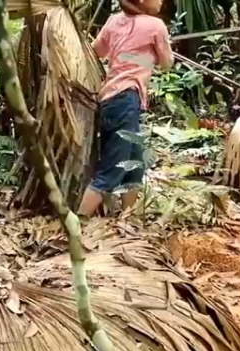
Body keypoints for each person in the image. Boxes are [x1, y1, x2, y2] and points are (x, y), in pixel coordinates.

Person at [77, 0, 174, 217]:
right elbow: (167, 62)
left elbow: (97, 52)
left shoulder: (113, 21)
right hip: (126, 100)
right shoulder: (156, 26)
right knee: (112, 172)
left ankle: (128, 220)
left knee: (134, 168)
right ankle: (75, 227)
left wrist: (129, 54)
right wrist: (150, 54)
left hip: (111, 100)